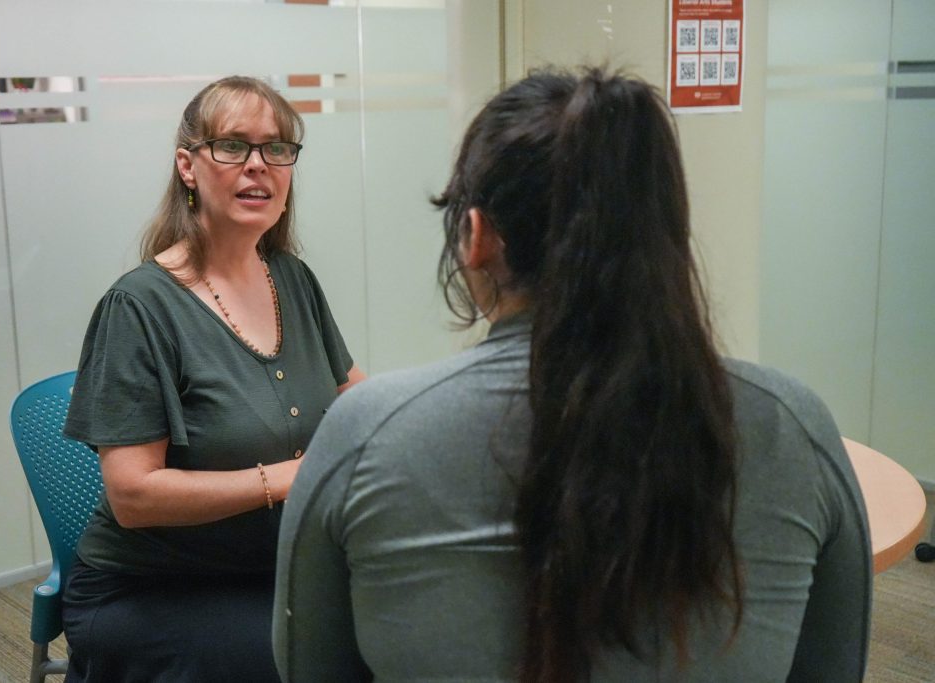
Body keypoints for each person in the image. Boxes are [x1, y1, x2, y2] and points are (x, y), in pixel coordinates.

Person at [273, 67, 872, 682]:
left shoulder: (368, 436)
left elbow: (311, 667)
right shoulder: (794, 428)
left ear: (477, 236)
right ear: (666, 235)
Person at [61, 75, 365, 682]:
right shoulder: (140, 307)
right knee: (310, 664)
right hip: (156, 589)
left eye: (277, 149)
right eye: (233, 145)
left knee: (399, 629)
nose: (259, 166)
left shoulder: (292, 278)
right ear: (188, 167)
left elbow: (354, 395)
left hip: (278, 566)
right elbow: (134, 496)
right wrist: (289, 478)